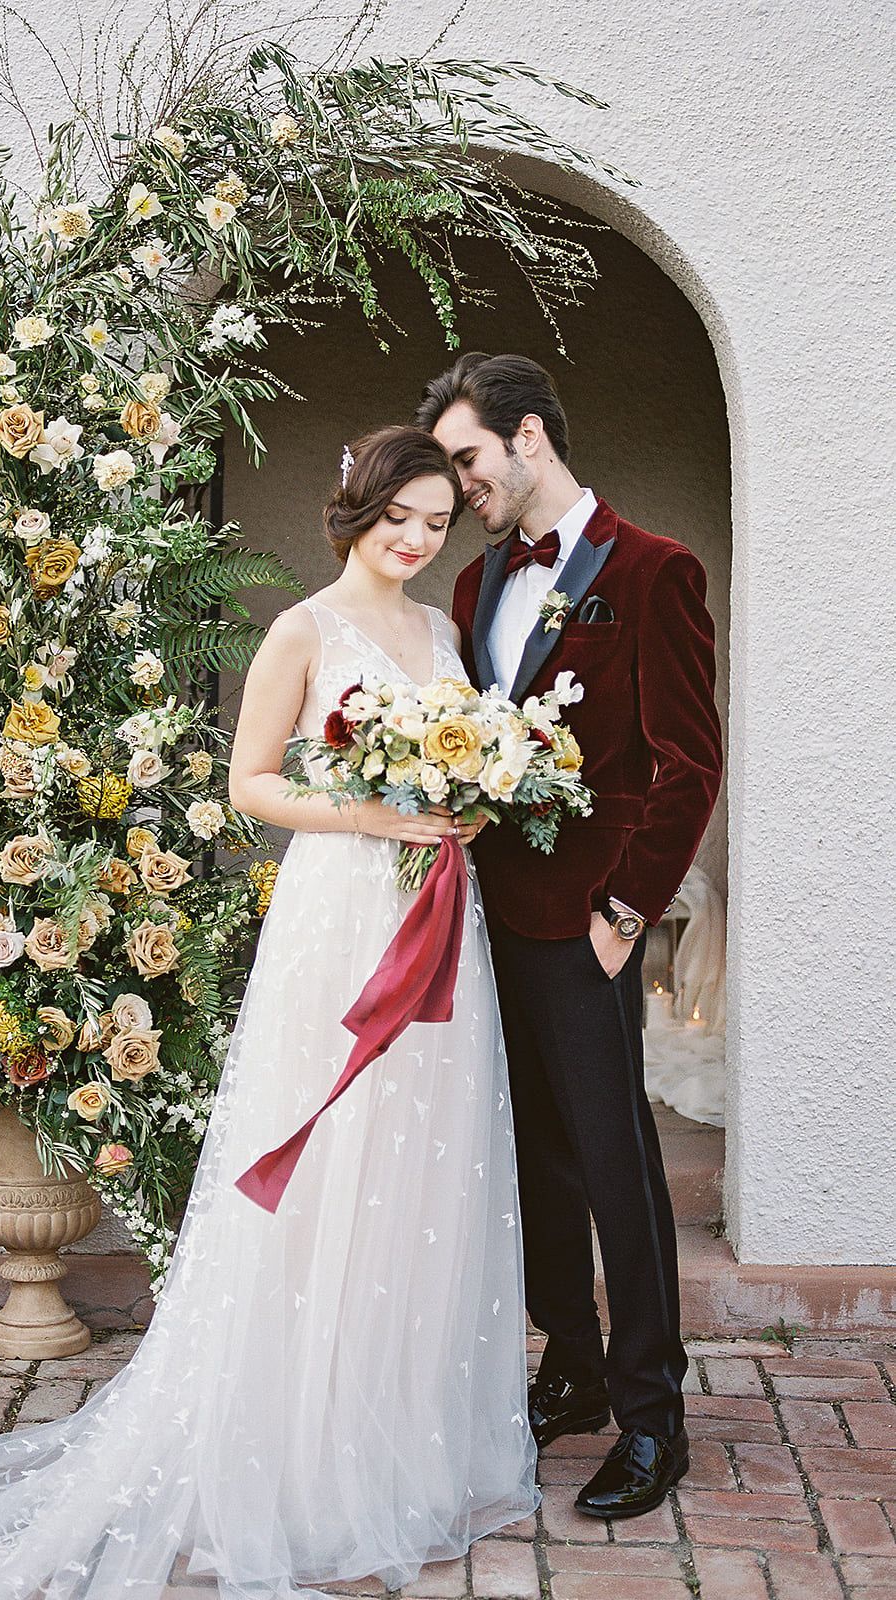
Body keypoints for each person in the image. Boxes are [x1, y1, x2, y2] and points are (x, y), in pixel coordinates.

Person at [0, 426, 537, 1599]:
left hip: (435, 915)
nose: (413, 538)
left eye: (432, 521)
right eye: (396, 514)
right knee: (323, 1161)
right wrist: (372, 816)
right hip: (341, 916)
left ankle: (401, 1442)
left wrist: (462, 806)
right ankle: (296, 1457)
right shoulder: (302, 630)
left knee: (417, 1163)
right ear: (349, 506)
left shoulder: (443, 629)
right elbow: (250, 780)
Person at [419, 353, 723, 1520]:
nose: (459, 488)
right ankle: (576, 1368)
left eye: (467, 460)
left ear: (529, 437)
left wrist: (622, 914)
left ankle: (654, 1418)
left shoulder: (651, 572)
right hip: (484, 921)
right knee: (530, 1164)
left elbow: (684, 765)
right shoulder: (471, 586)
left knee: (615, 1172)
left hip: (584, 929)